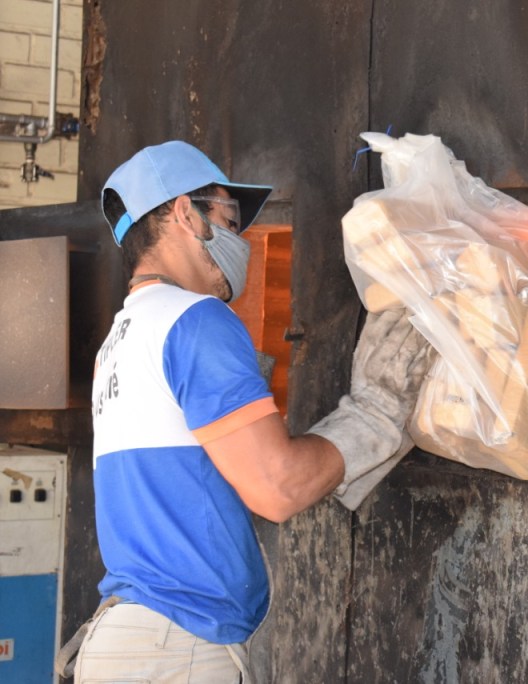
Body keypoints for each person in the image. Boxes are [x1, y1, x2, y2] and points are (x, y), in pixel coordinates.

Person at [61, 140, 432, 682]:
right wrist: (376, 414)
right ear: (185, 213)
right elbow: (277, 488)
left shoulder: (117, 345)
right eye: (230, 221)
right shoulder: (194, 319)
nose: (242, 242)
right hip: (173, 650)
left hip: (130, 642)